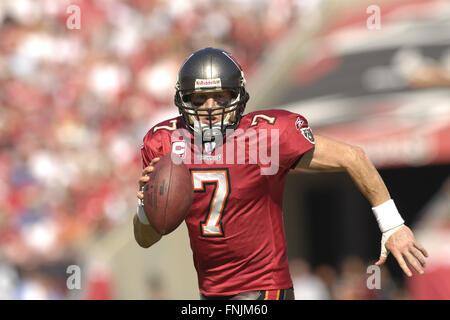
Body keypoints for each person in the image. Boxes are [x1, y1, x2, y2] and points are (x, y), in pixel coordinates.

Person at [133, 47, 428, 300]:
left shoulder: (267, 135)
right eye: (199, 100)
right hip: (210, 292)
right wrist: (147, 209)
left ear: (239, 97)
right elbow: (145, 239)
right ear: (182, 101)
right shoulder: (163, 142)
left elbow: (353, 157)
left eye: (221, 98)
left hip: (264, 287)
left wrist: (392, 225)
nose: (210, 108)